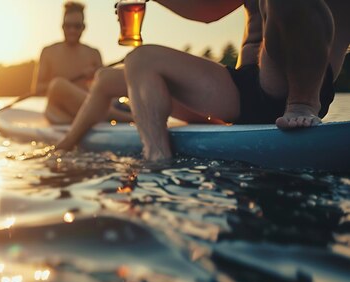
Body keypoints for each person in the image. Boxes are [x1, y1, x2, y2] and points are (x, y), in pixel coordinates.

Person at [59, 0, 350, 162]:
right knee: (139, 60)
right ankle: (156, 157)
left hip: (300, 82)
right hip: (245, 87)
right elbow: (209, 11)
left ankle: (302, 103)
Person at [33, 2, 103, 122]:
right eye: (68, 26)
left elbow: (103, 90)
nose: (72, 30)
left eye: (77, 26)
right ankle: (122, 117)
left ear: (84, 27)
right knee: (58, 85)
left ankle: (115, 115)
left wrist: (93, 78)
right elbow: (37, 89)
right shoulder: (48, 52)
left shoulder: (94, 53)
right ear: (62, 26)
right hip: (59, 112)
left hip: (89, 110)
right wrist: (61, 86)